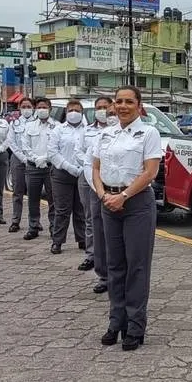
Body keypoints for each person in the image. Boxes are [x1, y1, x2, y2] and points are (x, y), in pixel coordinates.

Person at [92, 86, 163, 351]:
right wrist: (102, 195)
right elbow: (96, 168)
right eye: (118, 101)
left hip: (136, 204)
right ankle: (116, 322)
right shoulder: (105, 134)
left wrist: (122, 195)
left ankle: (135, 326)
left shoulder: (148, 133)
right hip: (108, 203)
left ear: (139, 105)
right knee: (114, 266)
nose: (122, 106)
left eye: (129, 102)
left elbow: (150, 172)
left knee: (137, 267)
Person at [78, 95, 113, 288]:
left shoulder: (130, 133)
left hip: (121, 193)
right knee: (98, 230)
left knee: (116, 235)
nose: (106, 113)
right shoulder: (95, 135)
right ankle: (104, 276)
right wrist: (99, 190)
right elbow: (88, 163)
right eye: (100, 109)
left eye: (108, 110)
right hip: (98, 189)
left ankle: (118, 276)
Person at [47, 99, 88, 255]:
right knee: (62, 210)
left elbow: (90, 152)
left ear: (82, 113)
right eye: (71, 110)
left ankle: (83, 239)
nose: (74, 113)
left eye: (77, 110)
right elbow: (53, 152)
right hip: (62, 174)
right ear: (66, 112)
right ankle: (57, 241)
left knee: (81, 210)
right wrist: (69, 167)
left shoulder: (87, 130)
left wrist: (83, 168)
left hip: (82, 173)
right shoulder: (58, 130)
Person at [22, 97, 57, 240]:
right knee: (33, 199)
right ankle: (33, 227)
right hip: (33, 167)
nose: (42, 110)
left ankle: (54, 228)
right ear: (36, 109)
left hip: (51, 167)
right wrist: (36, 159)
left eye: (45, 107)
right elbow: (25, 145)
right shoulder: (30, 126)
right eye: (39, 107)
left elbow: (57, 147)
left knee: (53, 199)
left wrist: (46, 159)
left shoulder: (57, 126)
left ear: (50, 109)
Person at [7, 97, 35, 232]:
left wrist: (30, 157)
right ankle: (15, 221)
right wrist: (22, 157)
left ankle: (34, 222)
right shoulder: (15, 124)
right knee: (17, 192)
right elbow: (11, 142)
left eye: (28, 106)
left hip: (34, 160)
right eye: (23, 106)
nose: (26, 109)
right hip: (18, 158)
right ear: (19, 108)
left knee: (33, 193)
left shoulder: (37, 123)